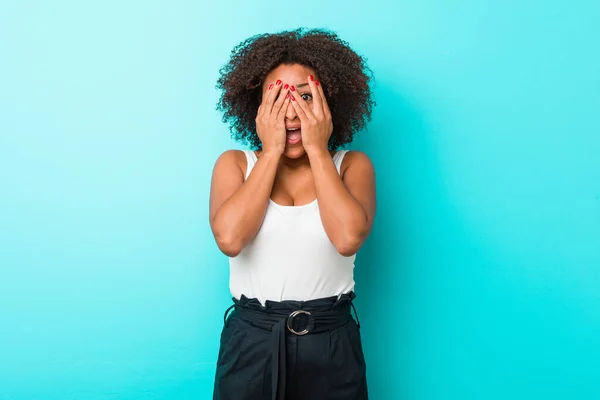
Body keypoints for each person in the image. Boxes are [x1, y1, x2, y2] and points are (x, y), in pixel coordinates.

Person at [209, 28, 376, 400]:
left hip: (332, 341)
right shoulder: (235, 165)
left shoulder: (353, 166)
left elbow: (347, 239)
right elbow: (230, 240)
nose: (293, 113)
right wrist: (269, 153)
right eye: (278, 100)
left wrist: (318, 149)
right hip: (252, 340)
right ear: (257, 107)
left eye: (305, 97)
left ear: (328, 102)